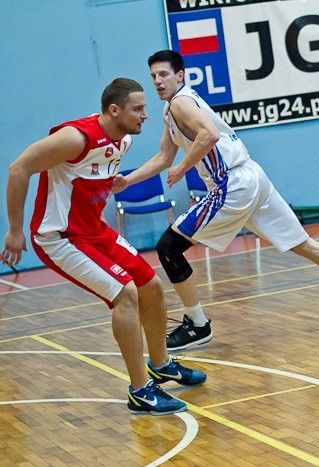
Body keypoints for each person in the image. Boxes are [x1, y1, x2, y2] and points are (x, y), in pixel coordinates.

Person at [112, 50, 319, 352]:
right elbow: (164, 157)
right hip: (252, 176)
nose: (157, 81)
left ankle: (198, 324)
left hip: (231, 185)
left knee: (169, 247)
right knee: (303, 244)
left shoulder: (181, 102)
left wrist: (184, 167)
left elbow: (208, 135)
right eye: (153, 76)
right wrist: (128, 180)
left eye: (164, 74)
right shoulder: (173, 108)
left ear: (180, 76)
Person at [0, 78, 207, 415]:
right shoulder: (75, 138)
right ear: (114, 110)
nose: (145, 115)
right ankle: (140, 391)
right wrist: (14, 229)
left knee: (151, 286)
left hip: (95, 230)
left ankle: (161, 365)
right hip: (60, 238)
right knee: (125, 293)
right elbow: (18, 168)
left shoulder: (123, 139)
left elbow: (97, 176)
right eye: (137, 109)